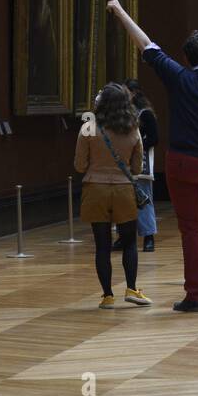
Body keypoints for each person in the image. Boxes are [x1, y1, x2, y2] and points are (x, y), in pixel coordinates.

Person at [106, 0, 198, 312]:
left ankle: (195, 296)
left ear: (187, 58)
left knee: (190, 229)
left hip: (182, 163)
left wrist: (119, 11)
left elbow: (146, 45)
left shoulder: (178, 77)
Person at [75, 83, 151, 309]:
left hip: (95, 189)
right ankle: (131, 288)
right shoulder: (133, 127)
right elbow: (137, 168)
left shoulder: (89, 126)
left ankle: (107, 295)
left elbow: (80, 165)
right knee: (129, 243)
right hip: (123, 190)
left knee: (102, 245)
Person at [123, 78, 159, 251]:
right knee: (124, 201)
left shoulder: (145, 113)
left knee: (143, 199)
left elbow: (154, 138)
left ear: (134, 93)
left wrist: (136, 144)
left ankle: (148, 236)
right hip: (124, 161)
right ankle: (124, 237)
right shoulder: (124, 113)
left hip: (141, 162)